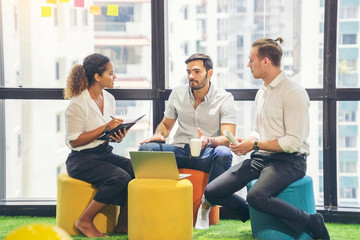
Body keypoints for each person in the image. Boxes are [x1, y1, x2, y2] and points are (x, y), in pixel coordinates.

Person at [199, 38, 330, 239]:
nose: (248, 65)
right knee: (212, 191)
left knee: (256, 196)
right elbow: (259, 130)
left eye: (251, 60)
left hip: (290, 160)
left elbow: (292, 143)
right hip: (262, 157)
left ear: (266, 61)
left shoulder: (293, 93)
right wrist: (247, 143)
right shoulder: (263, 92)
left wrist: (256, 144)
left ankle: (312, 220)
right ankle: (251, 213)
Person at [138, 53, 237, 230]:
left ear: (210, 73)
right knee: (147, 148)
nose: (191, 76)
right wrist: (159, 134)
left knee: (224, 153)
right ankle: (156, 205)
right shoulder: (178, 93)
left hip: (207, 153)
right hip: (180, 151)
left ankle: (206, 206)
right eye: (189, 72)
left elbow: (228, 138)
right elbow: (166, 126)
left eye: (197, 71)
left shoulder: (224, 98)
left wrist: (209, 140)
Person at [64, 53, 134, 238]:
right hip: (81, 159)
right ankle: (84, 221)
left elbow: (104, 134)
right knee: (119, 177)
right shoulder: (78, 104)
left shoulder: (109, 98)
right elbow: (74, 140)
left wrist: (116, 136)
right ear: (97, 76)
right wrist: (105, 128)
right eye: (111, 73)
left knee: (135, 169)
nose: (114, 77)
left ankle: (123, 224)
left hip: (103, 153)